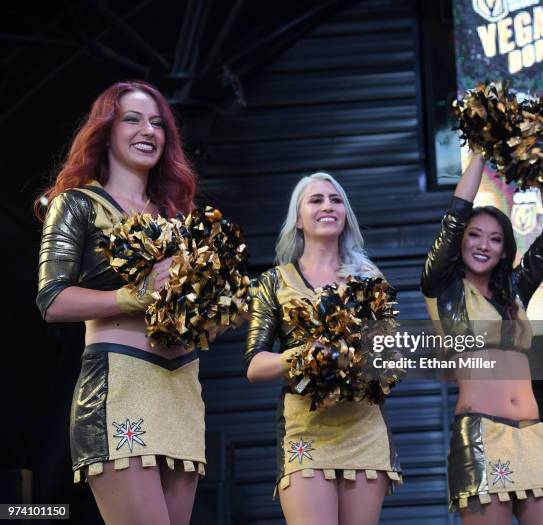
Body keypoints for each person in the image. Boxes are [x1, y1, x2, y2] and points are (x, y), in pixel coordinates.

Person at [36, 80, 203, 525]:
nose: (147, 129)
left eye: (157, 122)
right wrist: (133, 295)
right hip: (119, 386)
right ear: (106, 130)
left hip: (183, 389)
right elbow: (51, 300)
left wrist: (218, 309)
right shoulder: (77, 203)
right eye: (132, 118)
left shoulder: (178, 217)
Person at [244, 172, 402, 525]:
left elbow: (389, 359)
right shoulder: (275, 282)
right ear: (298, 219)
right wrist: (307, 355)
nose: (328, 206)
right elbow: (254, 365)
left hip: (364, 430)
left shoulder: (370, 280)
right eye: (316, 200)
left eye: (335, 200)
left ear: (345, 214)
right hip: (306, 430)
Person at [421, 155, 543, 525]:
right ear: (459, 242)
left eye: (495, 238)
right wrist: (482, 151)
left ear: (505, 249)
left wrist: (542, 167)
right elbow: (456, 213)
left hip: (533, 436)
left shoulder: (515, 291)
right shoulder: (442, 287)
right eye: (473, 235)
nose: (483, 244)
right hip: (480, 435)